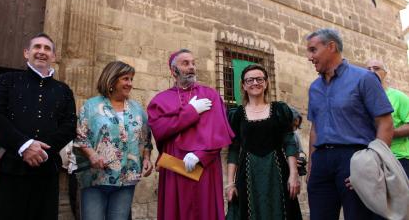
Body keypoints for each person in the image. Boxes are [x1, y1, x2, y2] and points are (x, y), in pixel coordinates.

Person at [0, 33, 77, 220]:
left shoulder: (64, 90)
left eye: (47, 48)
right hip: (8, 170)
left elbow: (70, 125)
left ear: (54, 56)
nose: (42, 52)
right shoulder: (7, 80)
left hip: (46, 173)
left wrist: (41, 151)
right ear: (26, 53)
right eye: (37, 47)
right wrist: (24, 146)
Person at [306, 28, 394, 220]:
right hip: (321, 162)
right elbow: (315, 129)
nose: (309, 57)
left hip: (355, 159)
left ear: (331, 46)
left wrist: (372, 165)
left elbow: (385, 123)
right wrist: (312, 166)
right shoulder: (314, 88)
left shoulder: (364, 78)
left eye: (313, 50)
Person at [147, 49, 234, 220]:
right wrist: (191, 112)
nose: (192, 67)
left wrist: (200, 155)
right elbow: (159, 129)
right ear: (173, 71)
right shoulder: (160, 100)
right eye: (185, 63)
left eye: (193, 63)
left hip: (204, 165)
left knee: (204, 210)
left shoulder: (210, 95)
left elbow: (217, 131)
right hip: (175, 163)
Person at [73, 61, 153, 220]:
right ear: (112, 79)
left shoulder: (137, 109)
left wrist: (146, 159)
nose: (130, 83)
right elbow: (80, 136)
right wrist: (92, 155)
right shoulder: (91, 106)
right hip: (95, 178)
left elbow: (145, 139)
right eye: (125, 79)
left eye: (131, 79)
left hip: (127, 179)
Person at [226, 64, 302, 220]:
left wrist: (293, 174)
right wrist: (230, 183)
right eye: (250, 80)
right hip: (248, 174)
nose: (255, 83)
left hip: (277, 171)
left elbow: (289, 143)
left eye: (259, 79)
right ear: (243, 85)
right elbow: (233, 149)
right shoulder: (237, 114)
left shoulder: (279, 109)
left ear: (266, 83)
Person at [366, 59, 409, 177]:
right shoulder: (360, 99)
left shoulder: (399, 97)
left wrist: (387, 132)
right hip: (371, 160)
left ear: (385, 73)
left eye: (376, 68)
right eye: (368, 69)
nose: (371, 71)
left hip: (398, 158)